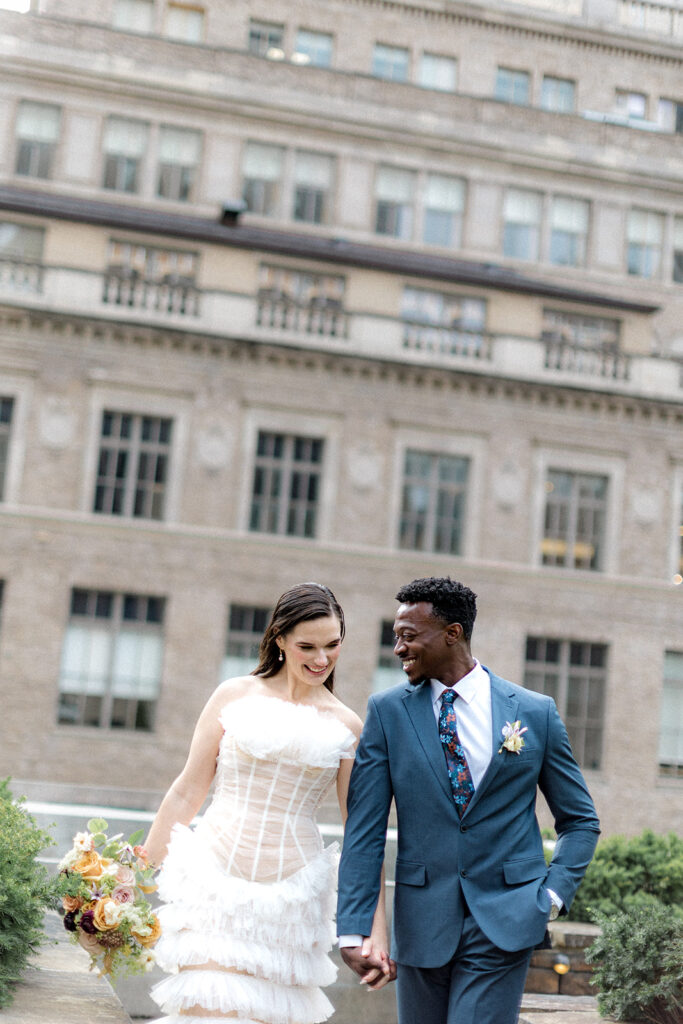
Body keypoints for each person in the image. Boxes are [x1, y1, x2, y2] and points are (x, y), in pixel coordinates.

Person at [337, 576, 601, 1024]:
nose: (398, 648)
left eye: (408, 636)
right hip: (422, 923)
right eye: (395, 638)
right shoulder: (387, 713)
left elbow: (580, 820)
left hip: (507, 919)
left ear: (452, 634)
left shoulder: (534, 712)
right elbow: (365, 829)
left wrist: (552, 896)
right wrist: (353, 928)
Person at [144, 581, 392, 1024]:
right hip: (212, 881)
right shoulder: (233, 695)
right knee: (205, 1009)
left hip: (291, 899)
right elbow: (187, 790)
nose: (321, 659)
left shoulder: (348, 725)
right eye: (307, 646)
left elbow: (363, 835)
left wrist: (376, 931)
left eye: (332, 645)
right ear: (279, 640)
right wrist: (135, 877)